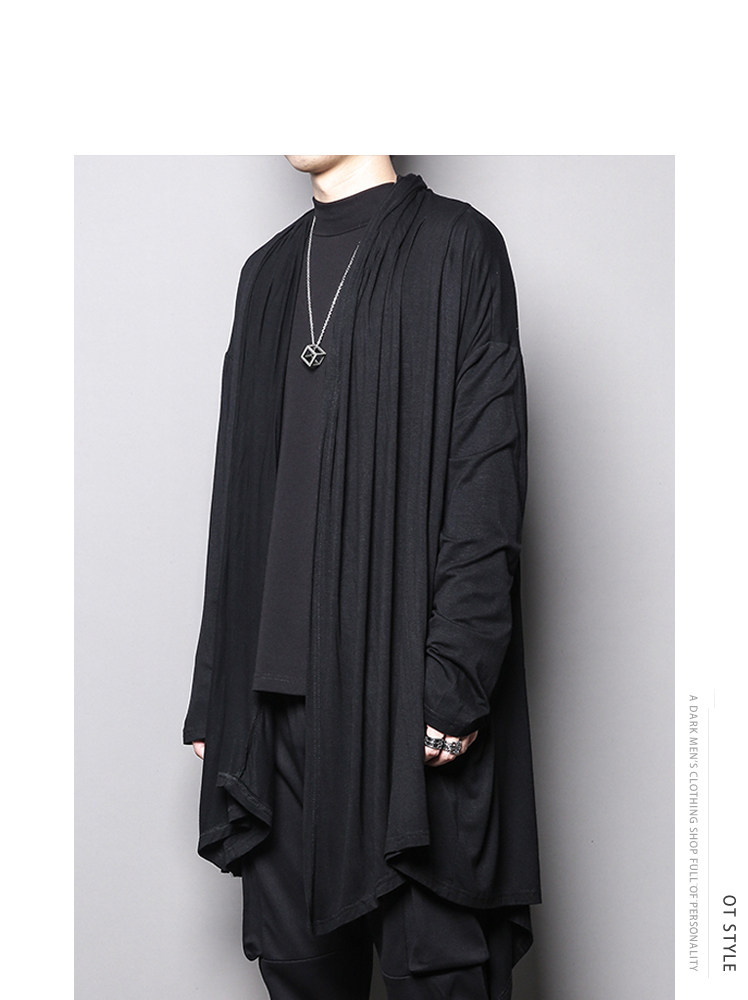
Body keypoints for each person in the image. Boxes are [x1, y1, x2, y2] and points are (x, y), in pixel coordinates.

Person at [183, 155, 542, 999]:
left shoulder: (460, 246)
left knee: (440, 971)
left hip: (406, 712)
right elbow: (238, 490)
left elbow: (487, 475)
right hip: (274, 720)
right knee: (299, 973)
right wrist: (215, 689)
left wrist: (455, 679)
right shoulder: (268, 272)